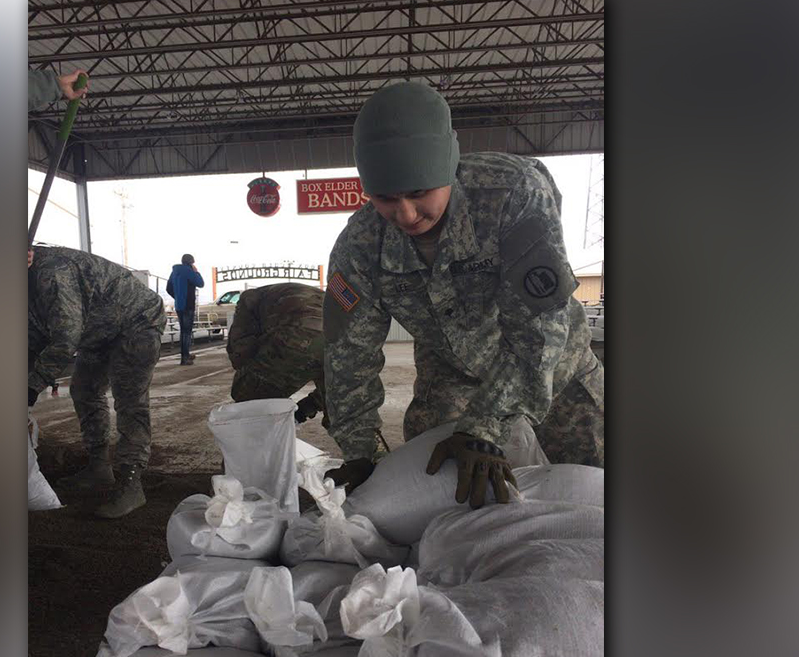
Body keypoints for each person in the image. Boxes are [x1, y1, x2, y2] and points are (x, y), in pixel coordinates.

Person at [321, 81, 604, 508]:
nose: (406, 214)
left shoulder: (512, 194)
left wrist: (485, 426)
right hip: (450, 375)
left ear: (449, 168)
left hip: (552, 366)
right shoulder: (360, 245)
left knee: (589, 488)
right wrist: (359, 451)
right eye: (384, 198)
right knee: (436, 491)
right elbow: (348, 355)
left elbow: (540, 329)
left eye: (419, 193)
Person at [28, 244, 165, 518]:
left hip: (135, 322)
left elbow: (65, 337)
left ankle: (131, 482)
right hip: (97, 331)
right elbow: (34, 337)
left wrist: (31, 387)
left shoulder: (52, 273)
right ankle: (99, 466)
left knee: (130, 399)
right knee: (84, 390)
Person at [225, 283, 328, 425]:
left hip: (299, 334)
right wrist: (307, 407)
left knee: (244, 392)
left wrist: (250, 375)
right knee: (342, 412)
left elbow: (240, 352)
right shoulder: (313, 295)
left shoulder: (249, 299)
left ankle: (261, 433)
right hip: (342, 336)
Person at [165, 254, 205, 365]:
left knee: (183, 331)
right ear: (191, 262)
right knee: (187, 332)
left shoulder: (174, 272)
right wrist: (196, 272)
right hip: (188, 305)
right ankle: (185, 357)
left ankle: (185, 354)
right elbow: (200, 283)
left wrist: (178, 297)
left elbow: (168, 288)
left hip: (179, 306)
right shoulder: (188, 271)